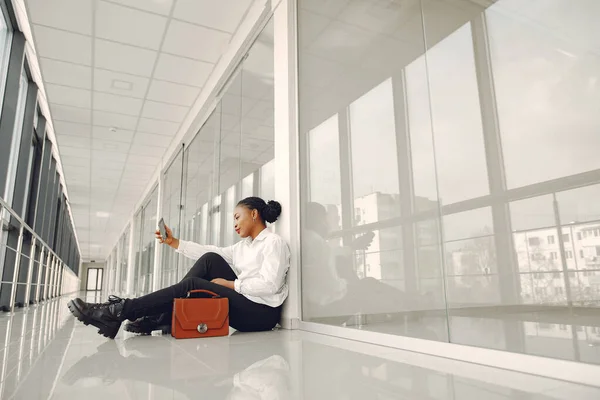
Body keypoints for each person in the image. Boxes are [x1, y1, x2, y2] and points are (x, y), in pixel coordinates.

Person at [67, 197, 290, 339]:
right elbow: (207, 251)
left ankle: (120, 310)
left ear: (254, 214)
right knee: (210, 258)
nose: (234, 223)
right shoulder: (243, 247)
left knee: (193, 284)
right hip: (247, 302)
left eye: (237, 217)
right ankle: (159, 317)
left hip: (262, 315)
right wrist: (174, 242)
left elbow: (270, 285)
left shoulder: (273, 243)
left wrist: (231, 284)